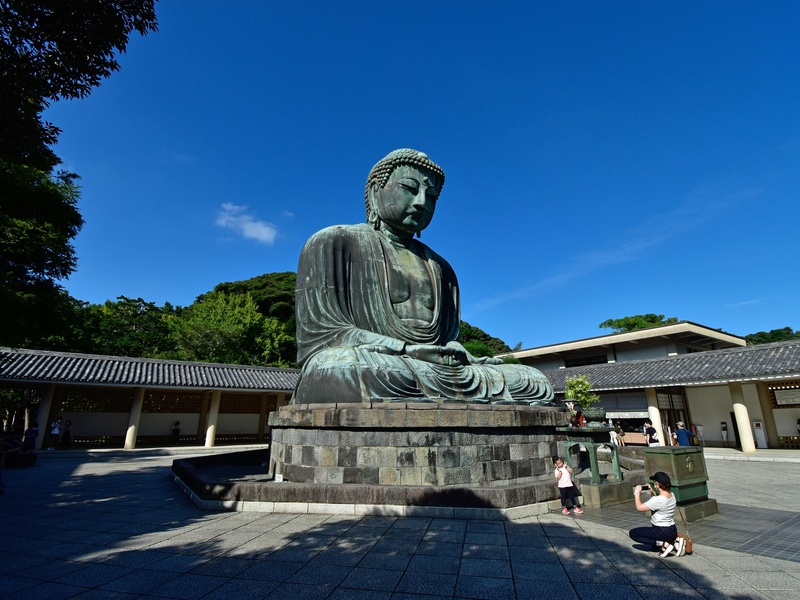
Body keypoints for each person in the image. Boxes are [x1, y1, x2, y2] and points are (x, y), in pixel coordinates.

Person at [293, 149, 554, 405]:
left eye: (431, 197)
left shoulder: (441, 267)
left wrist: (456, 351)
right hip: (378, 363)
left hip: (432, 369)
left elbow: (446, 338)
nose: (420, 202)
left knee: (531, 379)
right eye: (409, 188)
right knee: (338, 368)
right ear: (375, 192)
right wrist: (405, 349)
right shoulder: (333, 242)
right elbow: (324, 336)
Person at [629, 471, 686, 557]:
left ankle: (664, 544)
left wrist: (637, 493)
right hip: (672, 530)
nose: (654, 484)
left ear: (658, 485)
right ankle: (674, 542)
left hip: (661, 531)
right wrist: (653, 492)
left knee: (633, 534)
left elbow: (639, 507)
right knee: (653, 545)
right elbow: (661, 504)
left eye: (654, 483)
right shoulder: (672, 495)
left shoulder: (658, 500)